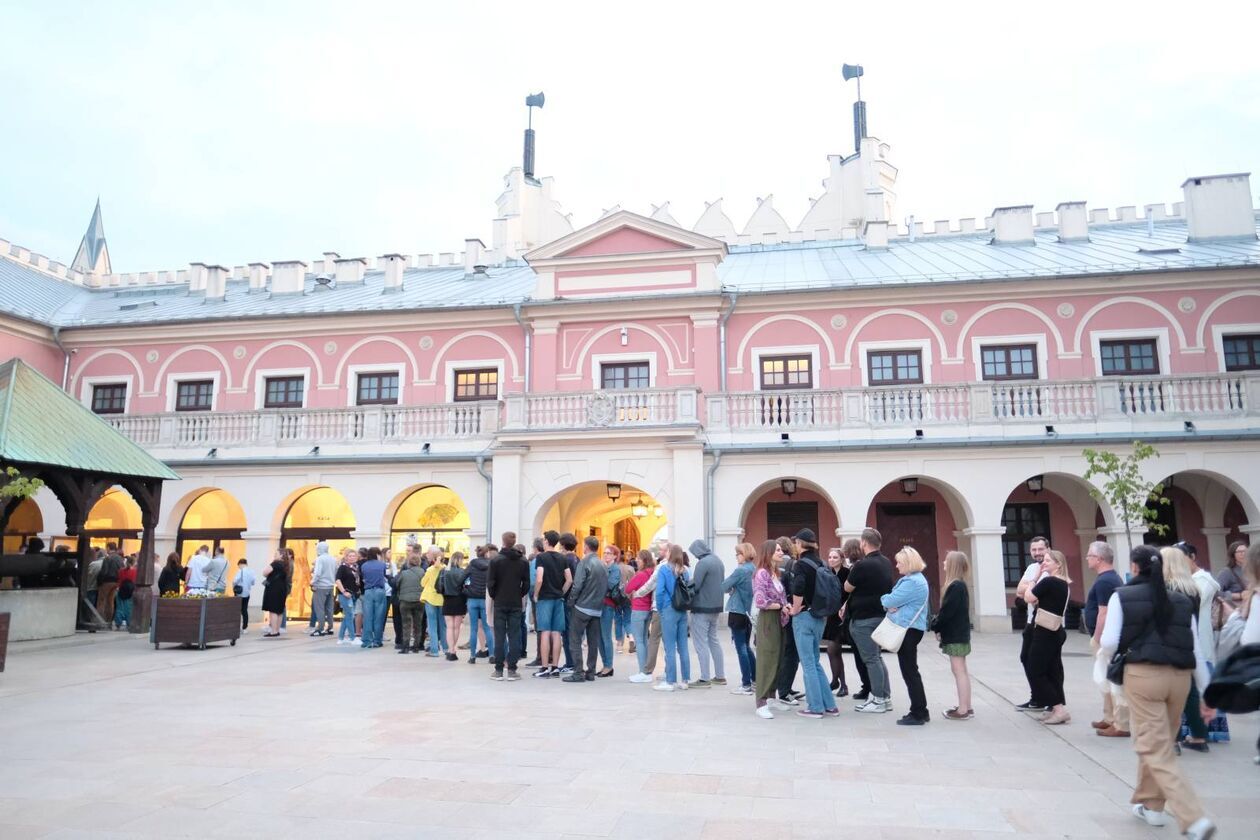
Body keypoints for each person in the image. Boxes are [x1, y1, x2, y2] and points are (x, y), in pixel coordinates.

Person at [1101, 546, 1216, 840]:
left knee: (1154, 747)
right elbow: (1196, 648)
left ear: (1135, 568)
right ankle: (1152, 807)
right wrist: (1207, 692)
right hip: (1180, 678)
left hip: (1144, 674)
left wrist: (1113, 661)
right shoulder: (1179, 600)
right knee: (1160, 740)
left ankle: (1193, 817)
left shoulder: (1122, 596)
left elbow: (1110, 640)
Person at [1162, 545, 1214, 752]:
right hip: (1189, 643)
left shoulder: (1166, 590)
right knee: (1190, 690)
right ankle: (1199, 736)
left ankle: (1172, 740)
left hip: (1168, 645)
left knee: (1169, 694)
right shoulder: (1193, 589)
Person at [787, 529, 840, 719]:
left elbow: (799, 587)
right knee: (815, 662)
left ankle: (815, 707)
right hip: (819, 617)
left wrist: (794, 608)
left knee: (808, 663)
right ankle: (830, 705)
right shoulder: (821, 562)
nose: (794, 545)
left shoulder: (800, 564)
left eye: (795, 542)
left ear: (800, 543)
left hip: (804, 617)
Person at [879, 546, 931, 724]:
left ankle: (918, 712)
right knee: (911, 670)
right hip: (912, 629)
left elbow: (888, 600)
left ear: (908, 563)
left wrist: (887, 602)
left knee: (909, 671)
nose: (896, 565)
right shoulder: (917, 579)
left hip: (908, 630)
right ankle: (921, 710)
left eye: (899, 562)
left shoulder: (912, 582)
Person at [845, 527, 894, 713]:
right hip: (880, 615)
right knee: (877, 657)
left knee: (871, 659)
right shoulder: (886, 562)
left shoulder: (862, 565)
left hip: (863, 618)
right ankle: (885, 697)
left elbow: (847, 587)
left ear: (863, 543)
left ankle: (879, 699)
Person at [1085, 541, 1128, 737]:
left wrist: (1097, 637)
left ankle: (1120, 724)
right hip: (1107, 636)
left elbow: (1104, 612)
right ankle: (1109, 717)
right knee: (1104, 678)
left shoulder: (1105, 581)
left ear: (1099, 559)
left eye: (1089, 555)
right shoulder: (1109, 578)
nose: (1087, 558)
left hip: (1105, 638)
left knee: (1111, 680)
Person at [1024, 549, 1072, 725]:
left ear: (1058, 564)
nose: (1044, 563)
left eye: (1048, 561)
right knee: (1053, 670)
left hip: (1045, 631)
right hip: (1056, 630)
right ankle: (1054, 708)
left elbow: (1029, 597)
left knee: (1035, 669)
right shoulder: (1063, 583)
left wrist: (1033, 579)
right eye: (1043, 561)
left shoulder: (1049, 581)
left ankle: (1058, 708)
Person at [932, 550, 973, 720]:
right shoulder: (959, 585)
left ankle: (963, 710)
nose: (944, 564)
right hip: (959, 634)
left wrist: (935, 625)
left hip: (956, 635)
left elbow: (947, 612)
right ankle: (966, 706)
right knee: (961, 670)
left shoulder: (955, 586)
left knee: (959, 671)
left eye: (946, 561)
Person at [752, 540, 790, 718]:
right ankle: (761, 703)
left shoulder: (776, 573)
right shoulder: (762, 574)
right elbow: (760, 601)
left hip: (779, 620)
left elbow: (780, 598)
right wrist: (781, 606)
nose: (782, 552)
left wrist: (785, 605)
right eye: (778, 550)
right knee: (767, 659)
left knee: (777, 658)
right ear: (768, 553)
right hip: (768, 620)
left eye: (781, 550)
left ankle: (771, 698)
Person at [564, 535, 608, 683]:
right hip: (597, 608)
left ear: (587, 547)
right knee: (593, 641)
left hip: (582, 607)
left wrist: (571, 601)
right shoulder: (602, 564)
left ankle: (578, 672)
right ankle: (591, 671)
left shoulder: (585, 562)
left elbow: (577, 585)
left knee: (575, 639)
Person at [1014, 535, 1051, 710]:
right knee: (1025, 658)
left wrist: (1030, 587)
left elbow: (1034, 595)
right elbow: (1020, 591)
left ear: (1048, 549)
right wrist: (1032, 585)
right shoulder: (1031, 567)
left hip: (1047, 623)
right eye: (1034, 549)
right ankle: (1036, 697)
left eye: (1040, 549)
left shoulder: (1052, 569)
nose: (1037, 553)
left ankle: (1051, 700)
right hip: (1031, 621)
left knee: (1049, 663)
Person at [488, 532, 529, 680]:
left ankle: (498, 669)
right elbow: (526, 584)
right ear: (515, 542)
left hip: (500, 602)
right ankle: (512, 669)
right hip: (515, 602)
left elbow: (490, 583)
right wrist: (519, 594)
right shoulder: (523, 561)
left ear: (503, 541)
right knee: (514, 635)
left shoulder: (496, 561)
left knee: (499, 636)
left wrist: (495, 595)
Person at [824, 540, 863, 698]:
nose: (832, 559)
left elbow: (850, 593)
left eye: (835, 557)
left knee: (833, 649)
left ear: (841, 558)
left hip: (844, 615)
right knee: (833, 650)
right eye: (830, 557)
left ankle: (840, 683)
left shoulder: (847, 573)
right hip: (831, 615)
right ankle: (838, 683)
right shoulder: (826, 573)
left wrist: (844, 604)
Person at [652, 544, 692, 692]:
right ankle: (685, 680)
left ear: (670, 553)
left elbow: (660, 591)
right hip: (682, 610)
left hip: (669, 609)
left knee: (669, 647)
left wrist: (661, 608)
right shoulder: (685, 570)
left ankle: (670, 681)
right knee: (683, 647)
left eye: (667, 551)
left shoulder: (664, 569)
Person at [532, 530, 572, 678]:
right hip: (558, 599)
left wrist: (536, 594)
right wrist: (561, 592)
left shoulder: (541, 557)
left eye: (544, 539)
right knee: (556, 633)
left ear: (547, 541)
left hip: (545, 598)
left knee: (544, 632)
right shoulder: (563, 558)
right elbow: (569, 579)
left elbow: (540, 578)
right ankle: (555, 666)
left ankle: (544, 667)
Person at [688, 538, 726, 688]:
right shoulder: (718, 561)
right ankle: (720, 676)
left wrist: (685, 584)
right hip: (716, 607)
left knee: (700, 643)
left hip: (701, 607)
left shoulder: (702, 563)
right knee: (714, 641)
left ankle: (704, 678)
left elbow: (696, 585)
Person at [722, 542, 757, 696]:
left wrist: (732, 588)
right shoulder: (753, 569)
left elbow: (723, 586)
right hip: (749, 612)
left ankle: (746, 684)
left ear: (744, 554)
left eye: (738, 554)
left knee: (740, 648)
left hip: (737, 611)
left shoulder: (740, 570)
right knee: (747, 647)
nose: (736, 556)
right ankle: (755, 680)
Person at [774, 536, 803, 705]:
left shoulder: (777, 565)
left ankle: (785, 687)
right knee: (791, 652)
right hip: (789, 611)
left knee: (786, 651)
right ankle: (785, 689)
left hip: (779, 611)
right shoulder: (792, 563)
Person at [626, 549, 657, 684]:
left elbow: (627, 589)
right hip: (648, 610)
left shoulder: (640, 574)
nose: (636, 561)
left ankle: (643, 672)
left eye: (638, 559)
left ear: (644, 560)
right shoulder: (652, 573)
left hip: (638, 609)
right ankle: (646, 670)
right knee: (644, 639)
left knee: (639, 641)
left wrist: (632, 591)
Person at [596, 544, 622, 677]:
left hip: (608, 605)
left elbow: (610, 585)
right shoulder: (603, 567)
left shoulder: (615, 569)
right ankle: (605, 664)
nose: (606, 555)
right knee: (599, 636)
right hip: (598, 604)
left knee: (606, 636)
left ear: (615, 556)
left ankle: (609, 666)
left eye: (609, 553)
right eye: (605, 553)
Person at [465, 544, 493, 663]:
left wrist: (465, 590)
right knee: (487, 628)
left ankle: (472, 656)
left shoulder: (472, 564)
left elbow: (462, 578)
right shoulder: (491, 565)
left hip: (472, 599)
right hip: (485, 598)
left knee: (473, 629)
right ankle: (492, 655)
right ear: (487, 553)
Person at [419, 551, 447, 657]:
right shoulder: (446, 568)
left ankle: (434, 650)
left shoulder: (430, 570)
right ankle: (446, 648)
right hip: (442, 599)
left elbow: (422, 583)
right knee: (443, 625)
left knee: (432, 625)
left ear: (434, 559)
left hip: (430, 598)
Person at [395, 552, 424, 654]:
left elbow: (397, 584)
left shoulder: (404, 573)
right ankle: (416, 646)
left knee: (406, 624)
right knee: (418, 624)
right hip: (419, 601)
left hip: (405, 601)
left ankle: (405, 646)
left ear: (409, 563)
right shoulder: (423, 572)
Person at [442, 551, 468, 661]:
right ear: (460, 560)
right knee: (457, 627)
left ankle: (450, 649)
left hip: (447, 599)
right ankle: (453, 650)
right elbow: (466, 586)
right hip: (459, 600)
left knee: (449, 627)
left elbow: (438, 586)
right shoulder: (463, 572)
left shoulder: (445, 571)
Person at [309, 541, 336, 637]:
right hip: (330, 586)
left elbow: (318, 573)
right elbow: (335, 572)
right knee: (329, 608)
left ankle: (320, 628)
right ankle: (330, 627)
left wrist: (312, 582)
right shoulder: (333, 559)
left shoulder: (320, 559)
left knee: (319, 608)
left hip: (321, 586)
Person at [261, 549, 289, 637]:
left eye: (276, 553)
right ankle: (277, 630)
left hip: (274, 588)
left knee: (273, 610)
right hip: (282, 588)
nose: (274, 555)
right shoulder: (286, 565)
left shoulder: (275, 563)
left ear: (281, 555)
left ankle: (273, 631)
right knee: (279, 610)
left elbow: (265, 573)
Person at [96, 542, 124, 622]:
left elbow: (104, 571)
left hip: (106, 581)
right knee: (110, 601)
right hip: (116, 582)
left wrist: (99, 581)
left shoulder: (107, 558)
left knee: (101, 601)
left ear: (108, 548)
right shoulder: (120, 559)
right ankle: (109, 619)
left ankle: (99, 619)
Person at [113, 556, 137, 630]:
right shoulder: (135, 571)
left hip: (121, 590)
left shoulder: (121, 571)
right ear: (134, 562)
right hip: (131, 591)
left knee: (119, 607)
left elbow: (119, 580)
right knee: (129, 608)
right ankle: (129, 624)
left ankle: (118, 624)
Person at [233, 559, 256, 633]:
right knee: (244, 610)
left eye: (239, 566)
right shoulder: (252, 572)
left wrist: (234, 585)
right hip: (247, 593)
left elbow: (235, 581)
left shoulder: (241, 571)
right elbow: (253, 583)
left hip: (239, 593)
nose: (239, 567)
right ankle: (245, 628)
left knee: (237, 611)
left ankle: (237, 627)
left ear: (241, 564)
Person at [84, 549, 104, 615]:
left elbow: (87, 574)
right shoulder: (104, 563)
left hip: (90, 586)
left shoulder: (93, 564)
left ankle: (88, 616)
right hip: (99, 586)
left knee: (90, 602)